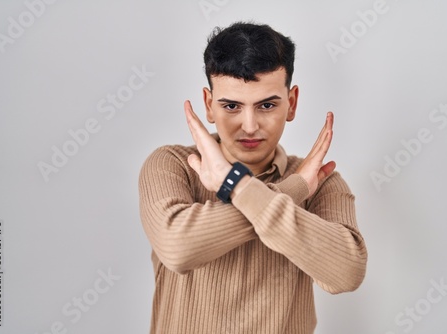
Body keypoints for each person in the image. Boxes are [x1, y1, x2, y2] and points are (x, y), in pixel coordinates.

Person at [138, 21, 367, 334]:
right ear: (208, 104)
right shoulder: (172, 165)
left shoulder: (322, 182)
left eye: (267, 105)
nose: (249, 125)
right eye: (231, 105)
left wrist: (238, 186)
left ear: (292, 103)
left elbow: (346, 273)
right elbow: (179, 249)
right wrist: (294, 189)